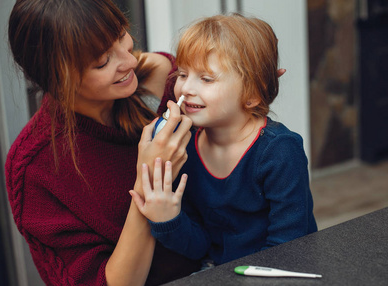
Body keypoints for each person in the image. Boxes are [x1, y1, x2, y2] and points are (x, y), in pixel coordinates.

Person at [4, 0, 200, 286]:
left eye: (121, 34)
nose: (129, 61)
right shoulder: (36, 168)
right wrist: (150, 180)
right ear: (59, 77)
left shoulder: (159, 78)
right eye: (102, 61)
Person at [131, 13, 318, 267]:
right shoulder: (184, 149)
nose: (186, 89)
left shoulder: (280, 152)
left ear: (252, 94)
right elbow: (200, 248)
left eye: (206, 79)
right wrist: (168, 219)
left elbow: (290, 248)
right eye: (183, 74)